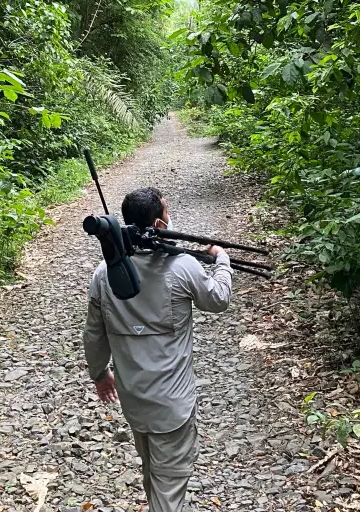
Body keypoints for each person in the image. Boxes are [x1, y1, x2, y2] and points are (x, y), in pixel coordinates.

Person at [83, 187, 233, 512]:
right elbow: (218, 299)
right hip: (172, 407)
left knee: (153, 473)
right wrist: (221, 260)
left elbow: (94, 334)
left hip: (134, 402)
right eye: (166, 211)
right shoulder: (183, 267)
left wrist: (99, 373)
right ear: (159, 224)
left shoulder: (103, 275)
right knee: (169, 487)